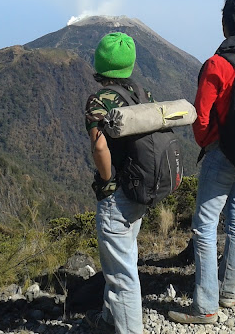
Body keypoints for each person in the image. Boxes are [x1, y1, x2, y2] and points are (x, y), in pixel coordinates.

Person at [168, 0, 235, 324]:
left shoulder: (216, 65)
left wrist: (210, 146)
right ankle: (229, 293)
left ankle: (206, 305)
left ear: (225, 23)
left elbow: (202, 119)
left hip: (222, 155)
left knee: (205, 226)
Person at [83, 32, 150, 333]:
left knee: (122, 275)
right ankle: (110, 320)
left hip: (118, 194)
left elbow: (99, 147)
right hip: (141, 187)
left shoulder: (99, 100)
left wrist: (106, 182)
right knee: (123, 260)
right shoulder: (141, 92)